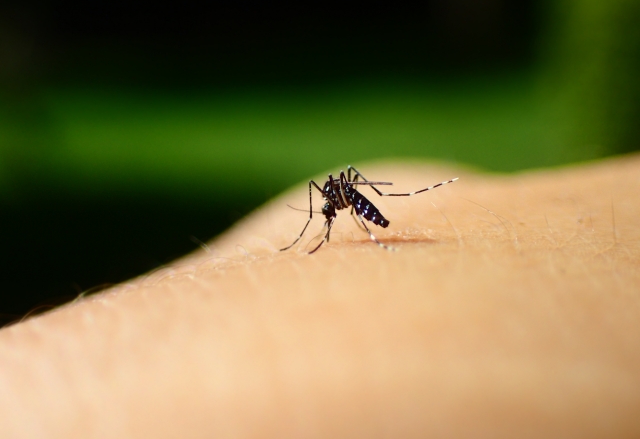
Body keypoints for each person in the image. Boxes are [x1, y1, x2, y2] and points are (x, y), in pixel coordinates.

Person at [1, 156, 639, 438]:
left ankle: (365, 217)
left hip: (366, 204)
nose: (330, 202)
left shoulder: (339, 192)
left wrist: (351, 210)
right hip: (357, 200)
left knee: (345, 189)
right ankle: (352, 218)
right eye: (331, 208)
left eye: (331, 208)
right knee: (338, 187)